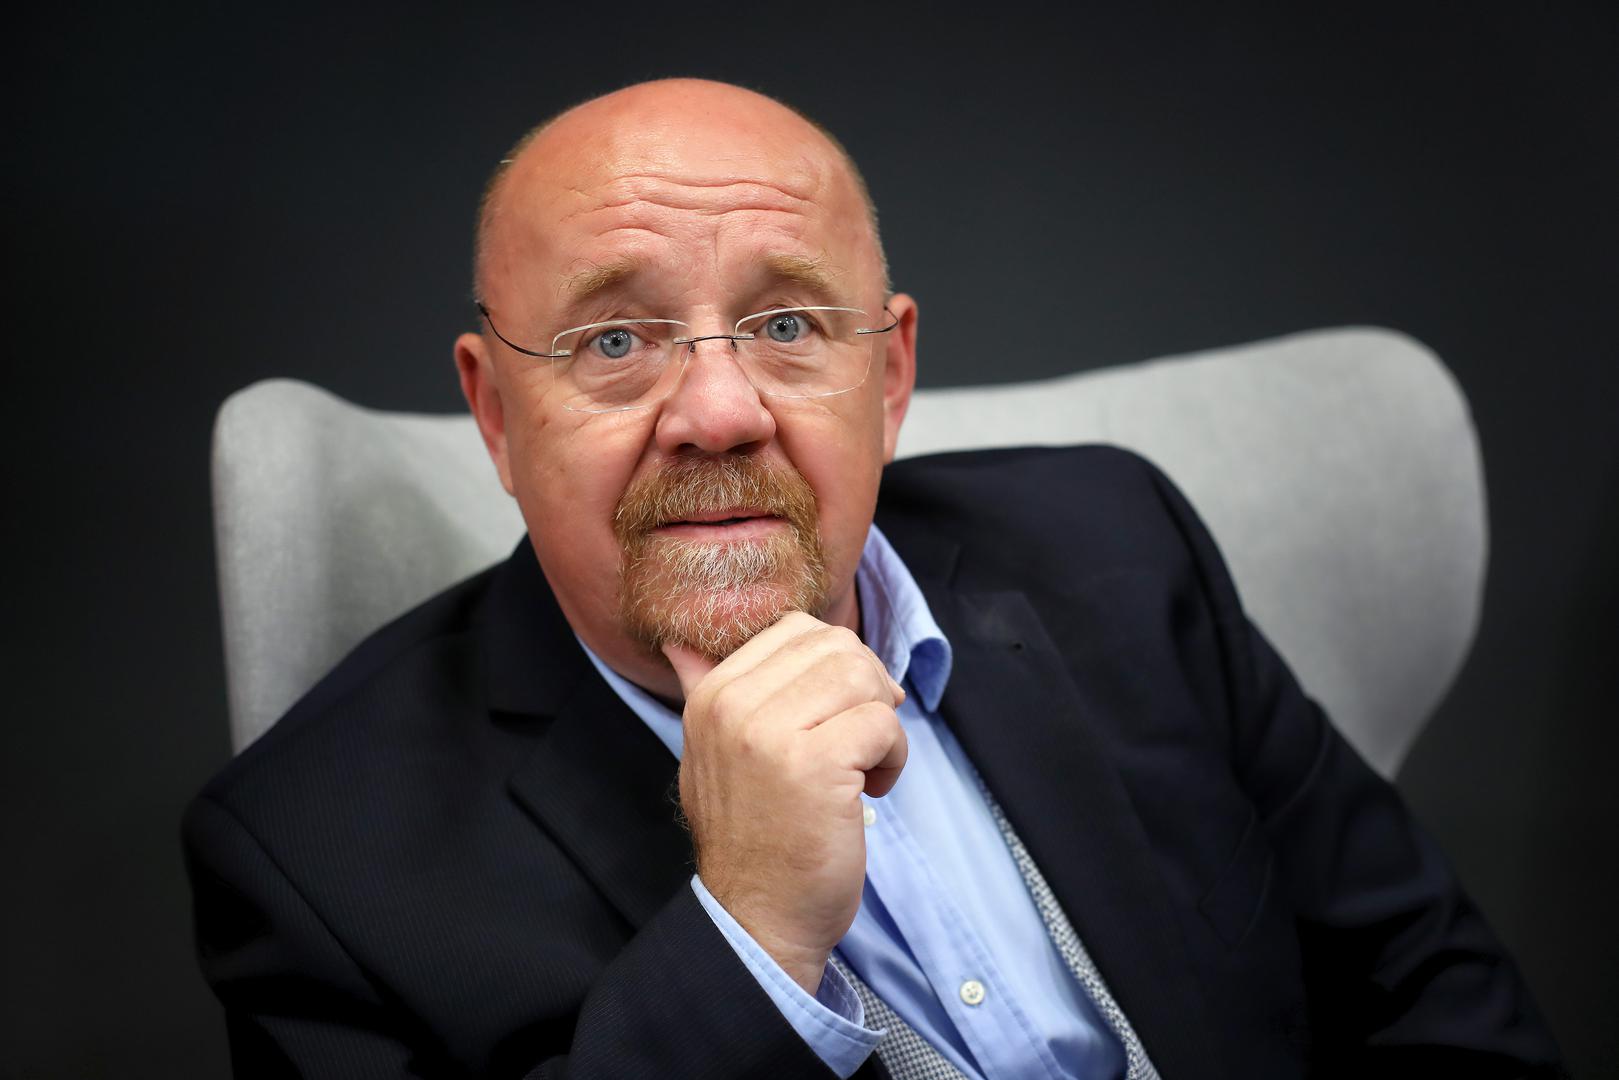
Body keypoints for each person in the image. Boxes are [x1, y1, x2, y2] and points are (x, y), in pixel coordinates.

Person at [183, 79, 1563, 1079]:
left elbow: (1432, 1000)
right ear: (496, 412)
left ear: (889, 377)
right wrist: (748, 936)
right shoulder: (314, 866)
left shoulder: (1119, 545)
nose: (718, 413)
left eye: (787, 323)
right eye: (615, 342)